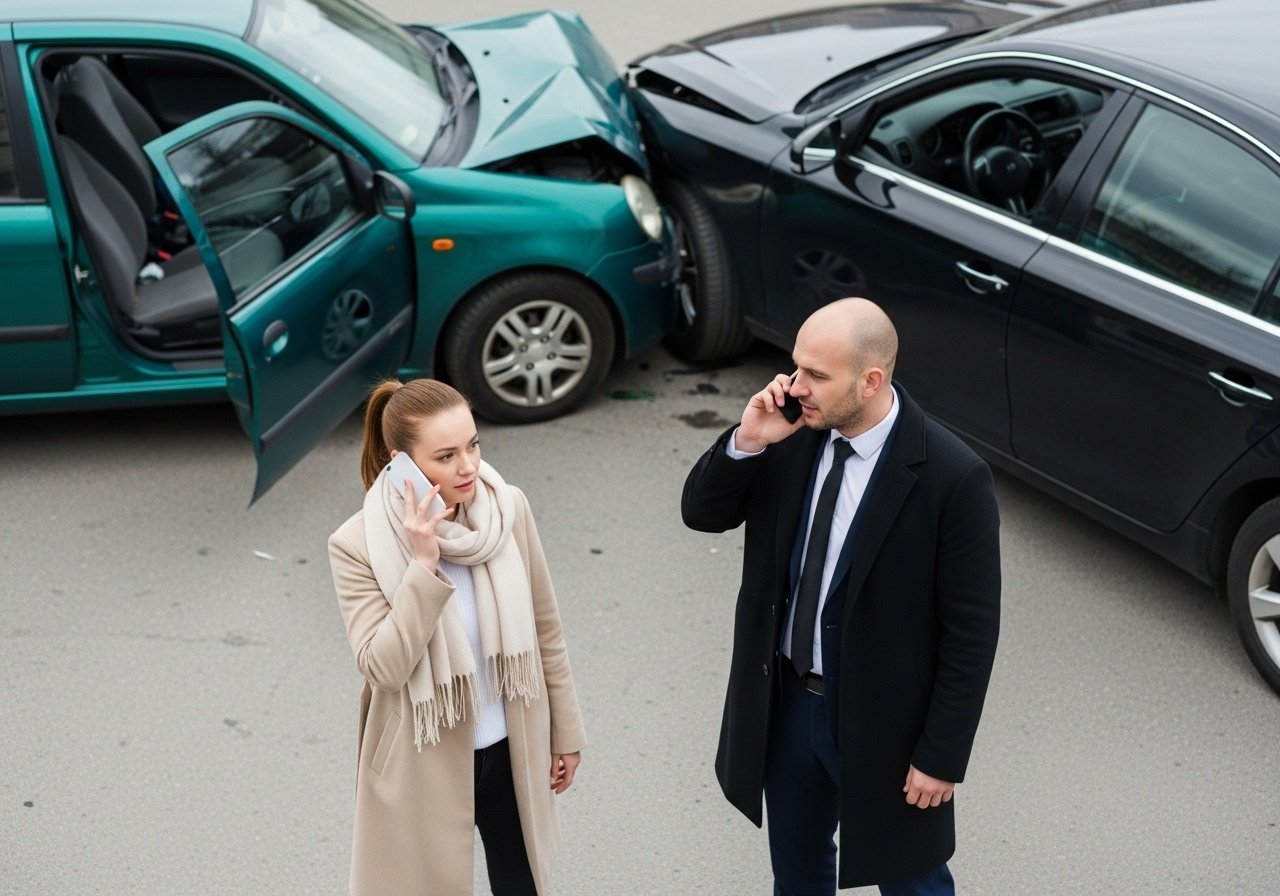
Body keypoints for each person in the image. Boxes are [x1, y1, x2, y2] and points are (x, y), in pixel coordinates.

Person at [681, 298, 1000, 895]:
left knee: (913, 882)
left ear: (871, 380)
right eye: (796, 367)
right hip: (791, 707)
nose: (796, 387)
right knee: (798, 874)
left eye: (817, 376)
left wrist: (941, 755)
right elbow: (701, 513)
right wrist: (747, 440)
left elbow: (972, 633)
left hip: (888, 726)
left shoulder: (953, 478)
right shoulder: (787, 434)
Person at [328, 378, 585, 896]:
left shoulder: (507, 510)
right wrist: (423, 567)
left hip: (512, 747)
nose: (468, 466)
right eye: (445, 456)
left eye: (472, 444)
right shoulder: (356, 544)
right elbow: (383, 667)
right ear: (401, 462)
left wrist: (566, 732)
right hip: (422, 759)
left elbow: (544, 629)